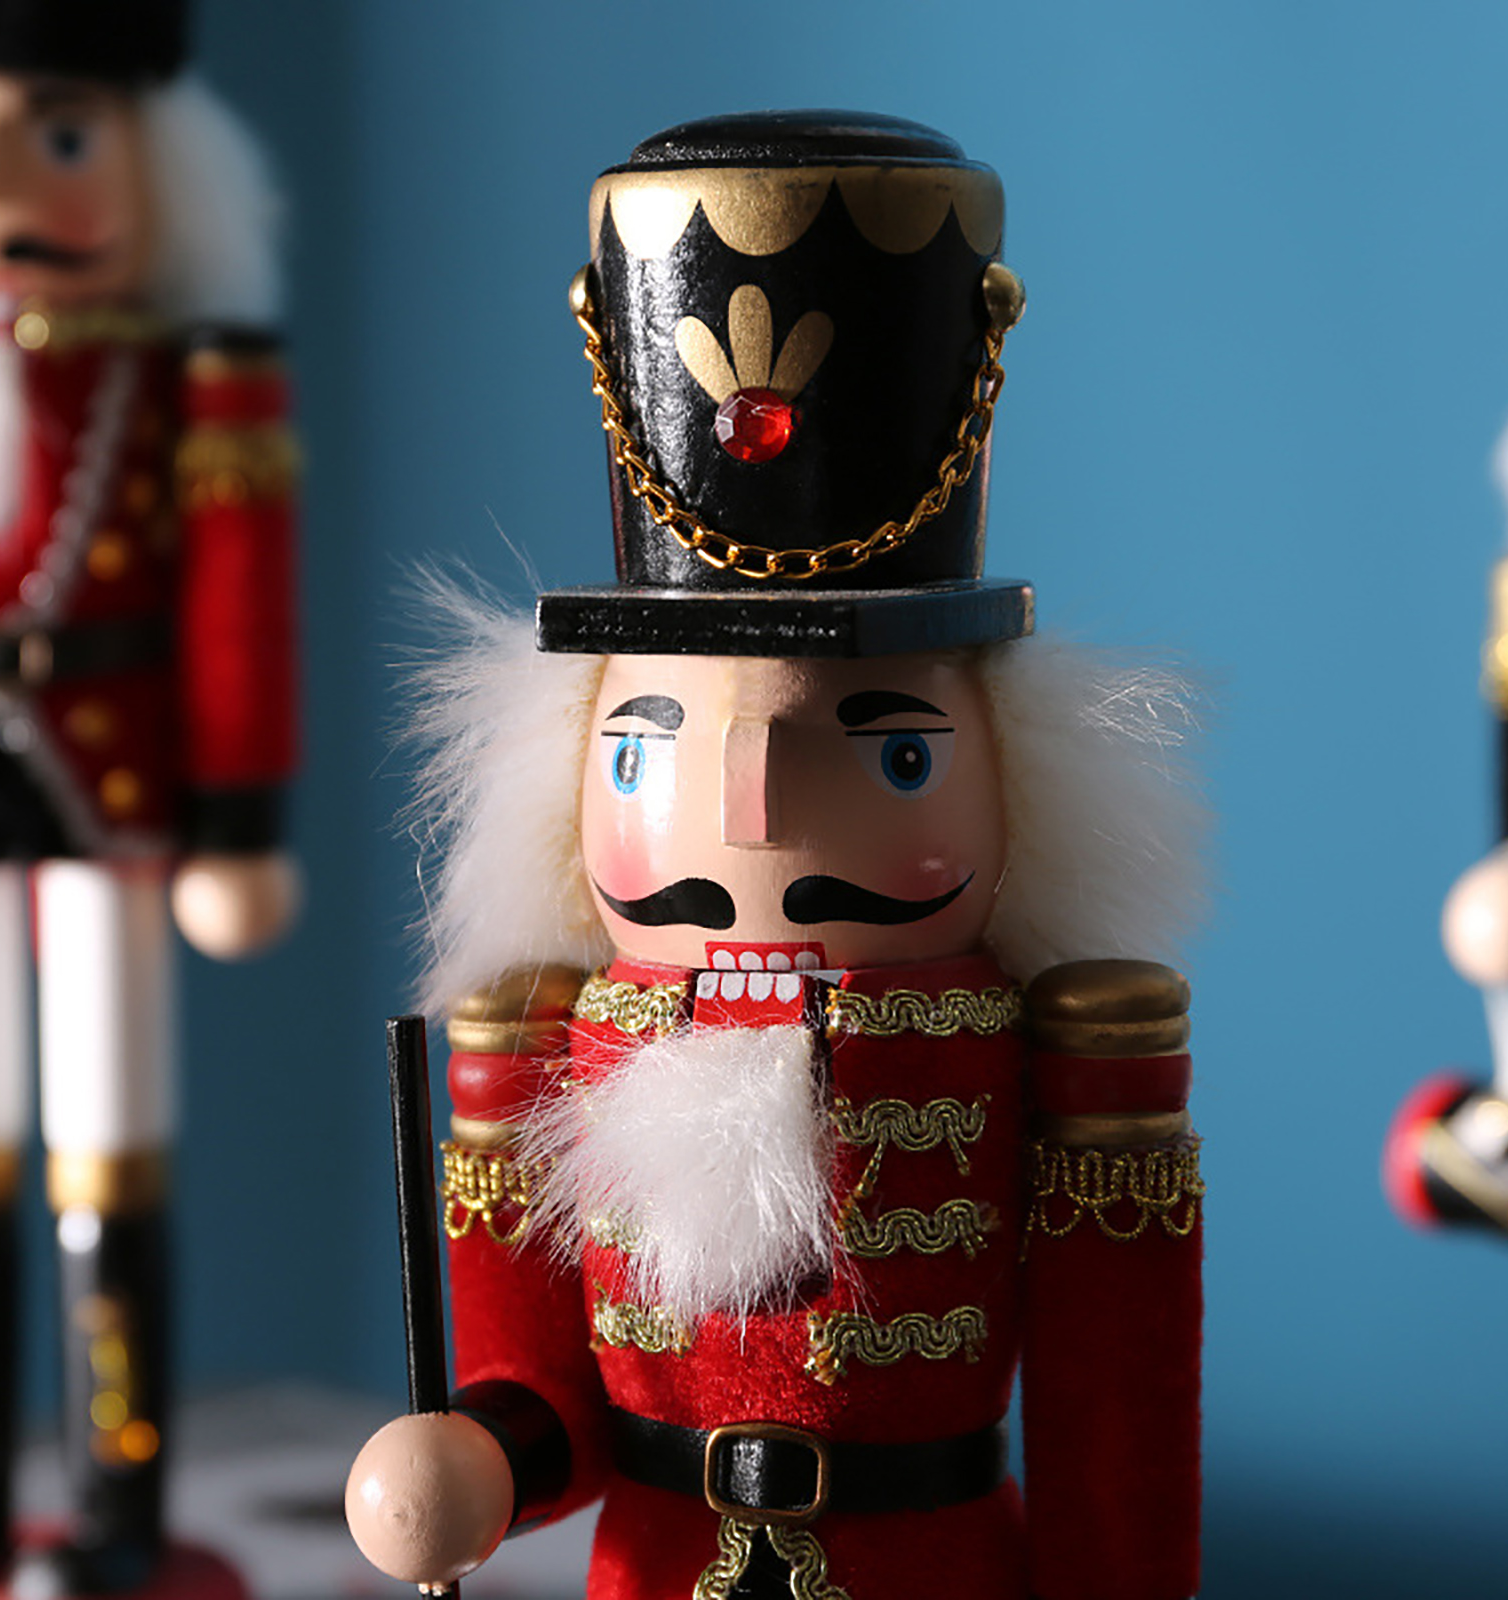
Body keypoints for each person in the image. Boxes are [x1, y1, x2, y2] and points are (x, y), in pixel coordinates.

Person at [348, 112, 1204, 1600]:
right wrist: (472, 1463)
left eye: (894, 755)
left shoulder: (1053, 1047)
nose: (748, 812)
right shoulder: (552, 1034)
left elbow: (1112, 1412)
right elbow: (538, 1391)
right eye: (648, 751)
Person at [0, 1, 298, 1591]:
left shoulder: (192, 381)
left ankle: (116, 1506)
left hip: (113, 783)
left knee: (111, 1138)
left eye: (62, 136)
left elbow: (240, 605)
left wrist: (239, 821)